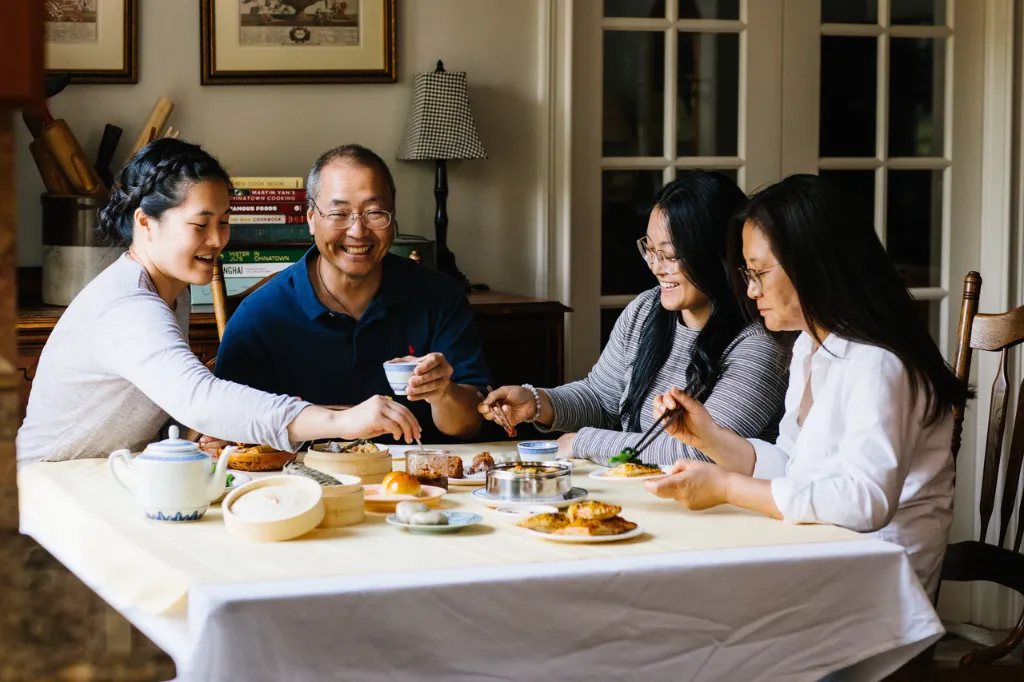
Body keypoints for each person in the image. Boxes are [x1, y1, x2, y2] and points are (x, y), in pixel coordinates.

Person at [646, 174, 969, 597]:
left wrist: (727, 486)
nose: (749, 289)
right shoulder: (811, 348)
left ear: (813, 265)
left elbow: (865, 502)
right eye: (747, 272)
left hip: (876, 588)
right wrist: (711, 439)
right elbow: (795, 468)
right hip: (821, 554)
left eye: (759, 272)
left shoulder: (879, 362)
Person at [16, 139, 422, 467]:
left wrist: (193, 432)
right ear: (145, 222)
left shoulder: (169, 291)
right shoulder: (128, 306)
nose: (217, 240)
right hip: (51, 490)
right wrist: (340, 420)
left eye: (224, 222)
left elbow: (153, 410)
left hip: (102, 479)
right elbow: (200, 398)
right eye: (200, 224)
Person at [479, 171, 790, 465]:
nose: (655, 267)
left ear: (715, 254)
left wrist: (581, 442)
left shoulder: (759, 344)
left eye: (669, 255)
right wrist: (538, 403)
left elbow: (702, 451)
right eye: (650, 250)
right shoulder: (646, 309)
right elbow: (602, 399)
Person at [212, 144, 491, 444]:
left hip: (417, 482)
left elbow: (469, 424)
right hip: (306, 484)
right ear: (310, 218)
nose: (358, 231)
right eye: (339, 213)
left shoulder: (439, 295)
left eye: (374, 213)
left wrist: (443, 393)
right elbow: (226, 428)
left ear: (393, 217)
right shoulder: (261, 314)